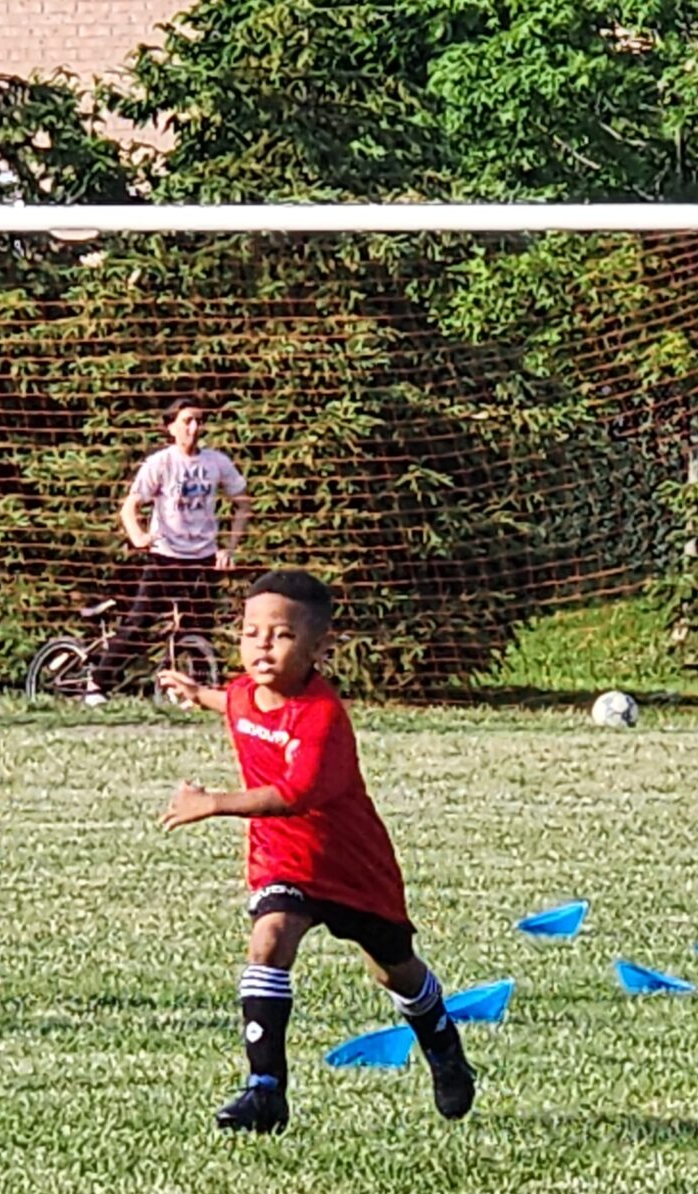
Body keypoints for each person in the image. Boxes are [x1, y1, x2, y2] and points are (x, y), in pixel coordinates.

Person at [157, 568, 475, 1135]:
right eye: (251, 632)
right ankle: (265, 1090)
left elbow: (294, 793)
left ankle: (440, 1038)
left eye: (280, 635)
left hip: (352, 866)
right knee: (270, 939)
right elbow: (227, 701)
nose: (261, 645)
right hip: (284, 862)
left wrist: (214, 803)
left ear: (316, 645)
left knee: (393, 972)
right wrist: (194, 692)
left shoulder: (321, 716)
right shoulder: (242, 694)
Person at [99, 397, 249, 694]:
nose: (194, 428)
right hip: (165, 556)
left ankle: (198, 692)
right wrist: (139, 538)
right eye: (187, 421)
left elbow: (243, 505)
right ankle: (97, 683)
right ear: (171, 428)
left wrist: (228, 547)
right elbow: (130, 508)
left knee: (199, 628)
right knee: (140, 622)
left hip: (203, 557)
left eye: (198, 421)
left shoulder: (217, 462)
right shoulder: (160, 463)